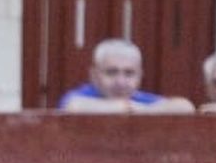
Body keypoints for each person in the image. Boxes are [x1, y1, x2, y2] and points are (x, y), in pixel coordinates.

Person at [57, 38, 194, 114]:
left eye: (129, 73)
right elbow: (72, 107)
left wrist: (137, 109)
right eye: (111, 72)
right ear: (94, 75)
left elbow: (185, 107)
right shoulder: (81, 96)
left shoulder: (138, 99)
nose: (120, 82)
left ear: (140, 75)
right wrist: (130, 109)